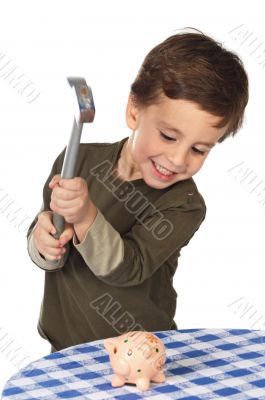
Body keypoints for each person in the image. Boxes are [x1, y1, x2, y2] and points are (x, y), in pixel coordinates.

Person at [27, 27, 249, 352]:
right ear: (134, 110)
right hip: (66, 350)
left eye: (199, 150)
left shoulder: (183, 204)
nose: (177, 159)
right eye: (169, 136)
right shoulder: (77, 160)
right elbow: (51, 251)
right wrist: (42, 239)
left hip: (142, 355)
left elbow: (128, 268)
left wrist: (87, 217)